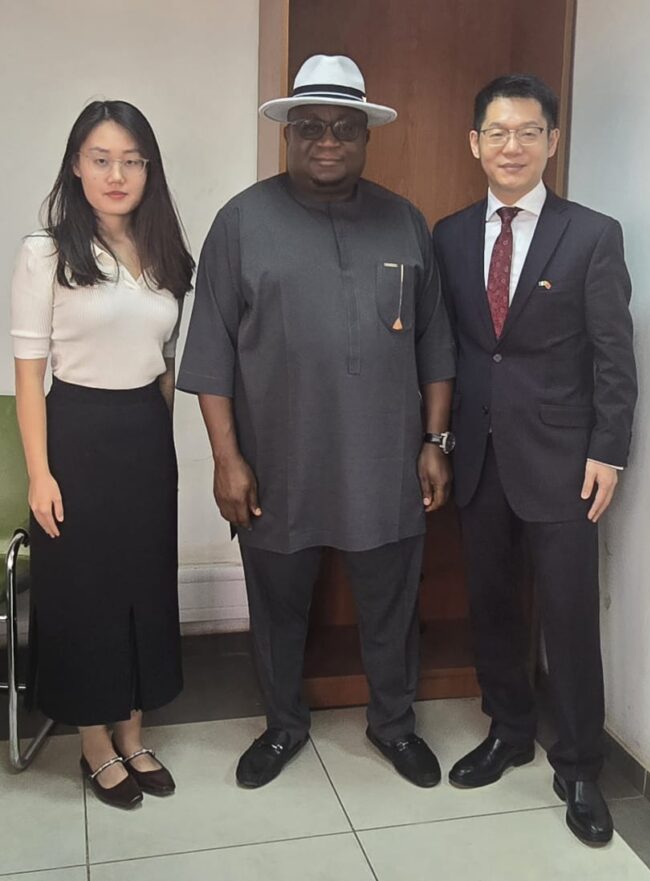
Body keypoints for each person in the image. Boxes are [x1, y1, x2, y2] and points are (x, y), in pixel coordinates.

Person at [178, 54, 456, 789]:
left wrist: (434, 441)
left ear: (365, 137)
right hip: (277, 464)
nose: (326, 141)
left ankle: (394, 723)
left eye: (342, 127)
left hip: (384, 462)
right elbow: (209, 355)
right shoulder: (241, 222)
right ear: (287, 134)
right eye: (310, 127)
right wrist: (227, 460)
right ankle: (282, 725)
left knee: (391, 604)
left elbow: (436, 343)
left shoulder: (404, 222)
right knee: (277, 607)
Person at [433, 74, 637, 843]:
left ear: (552, 140)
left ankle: (579, 764)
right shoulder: (450, 235)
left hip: (563, 461)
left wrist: (608, 450)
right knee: (490, 603)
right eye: (497, 132)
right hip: (478, 456)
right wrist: (437, 440)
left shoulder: (592, 234)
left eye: (527, 132)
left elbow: (615, 354)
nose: (511, 146)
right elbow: (453, 348)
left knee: (569, 614)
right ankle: (510, 729)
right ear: (474, 143)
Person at [11, 100, 194, 809]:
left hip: (144, 433)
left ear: (149, 169)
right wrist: (40, 473)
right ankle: (94, 740)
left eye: (131, 161)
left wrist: (161, 439)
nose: (117, 174)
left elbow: (166, 363)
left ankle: (134, 731)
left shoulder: (166, 254)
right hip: (76, 434)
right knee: (86, 592)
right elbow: (30, 375)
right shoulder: (46, 253)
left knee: (143, 584)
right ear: (76, 166)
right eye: (101, 159)